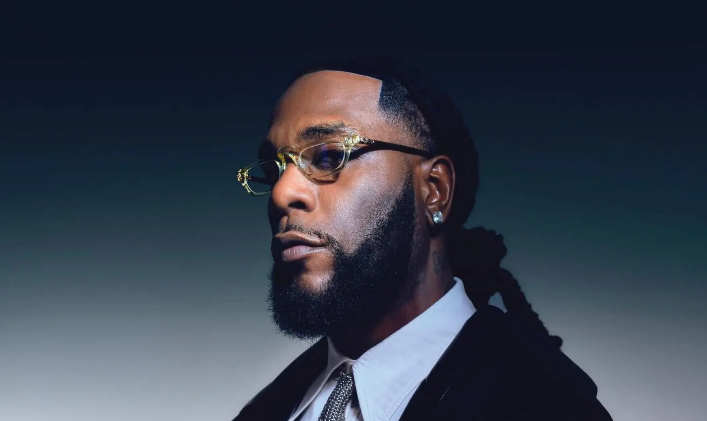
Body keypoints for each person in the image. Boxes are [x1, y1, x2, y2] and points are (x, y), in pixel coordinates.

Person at [233, 57, 613, 421]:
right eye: (275, 170)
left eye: (329, 156)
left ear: (434, 189)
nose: (282, 193)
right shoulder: (268, 409)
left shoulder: (547, 405)